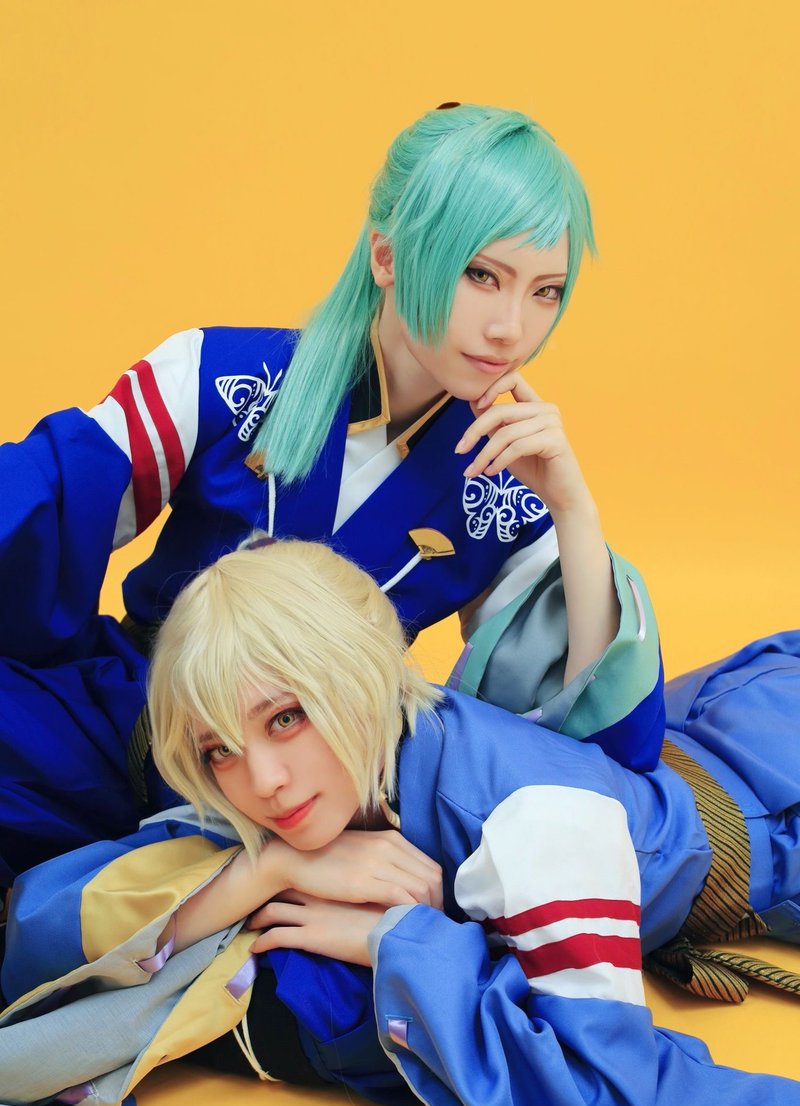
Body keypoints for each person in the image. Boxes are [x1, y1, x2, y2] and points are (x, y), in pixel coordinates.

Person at [2, 538, 800, 1106]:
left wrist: (399, 940)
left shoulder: (532, 824)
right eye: (219, 750)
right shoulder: (312, 788)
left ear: (362, 675)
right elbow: (43, 924)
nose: (263, 781)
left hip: (771, 785)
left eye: (287, 716)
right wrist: (265, 873)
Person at [0, 103, 664, 885]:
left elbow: (594, 745)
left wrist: (574, 511)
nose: (510, 328)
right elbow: (41, 497)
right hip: (139, 727)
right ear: (386, 256)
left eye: (546, 291)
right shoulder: (219, 376)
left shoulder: (505, 483)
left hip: (317, 791)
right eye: (481, 275)